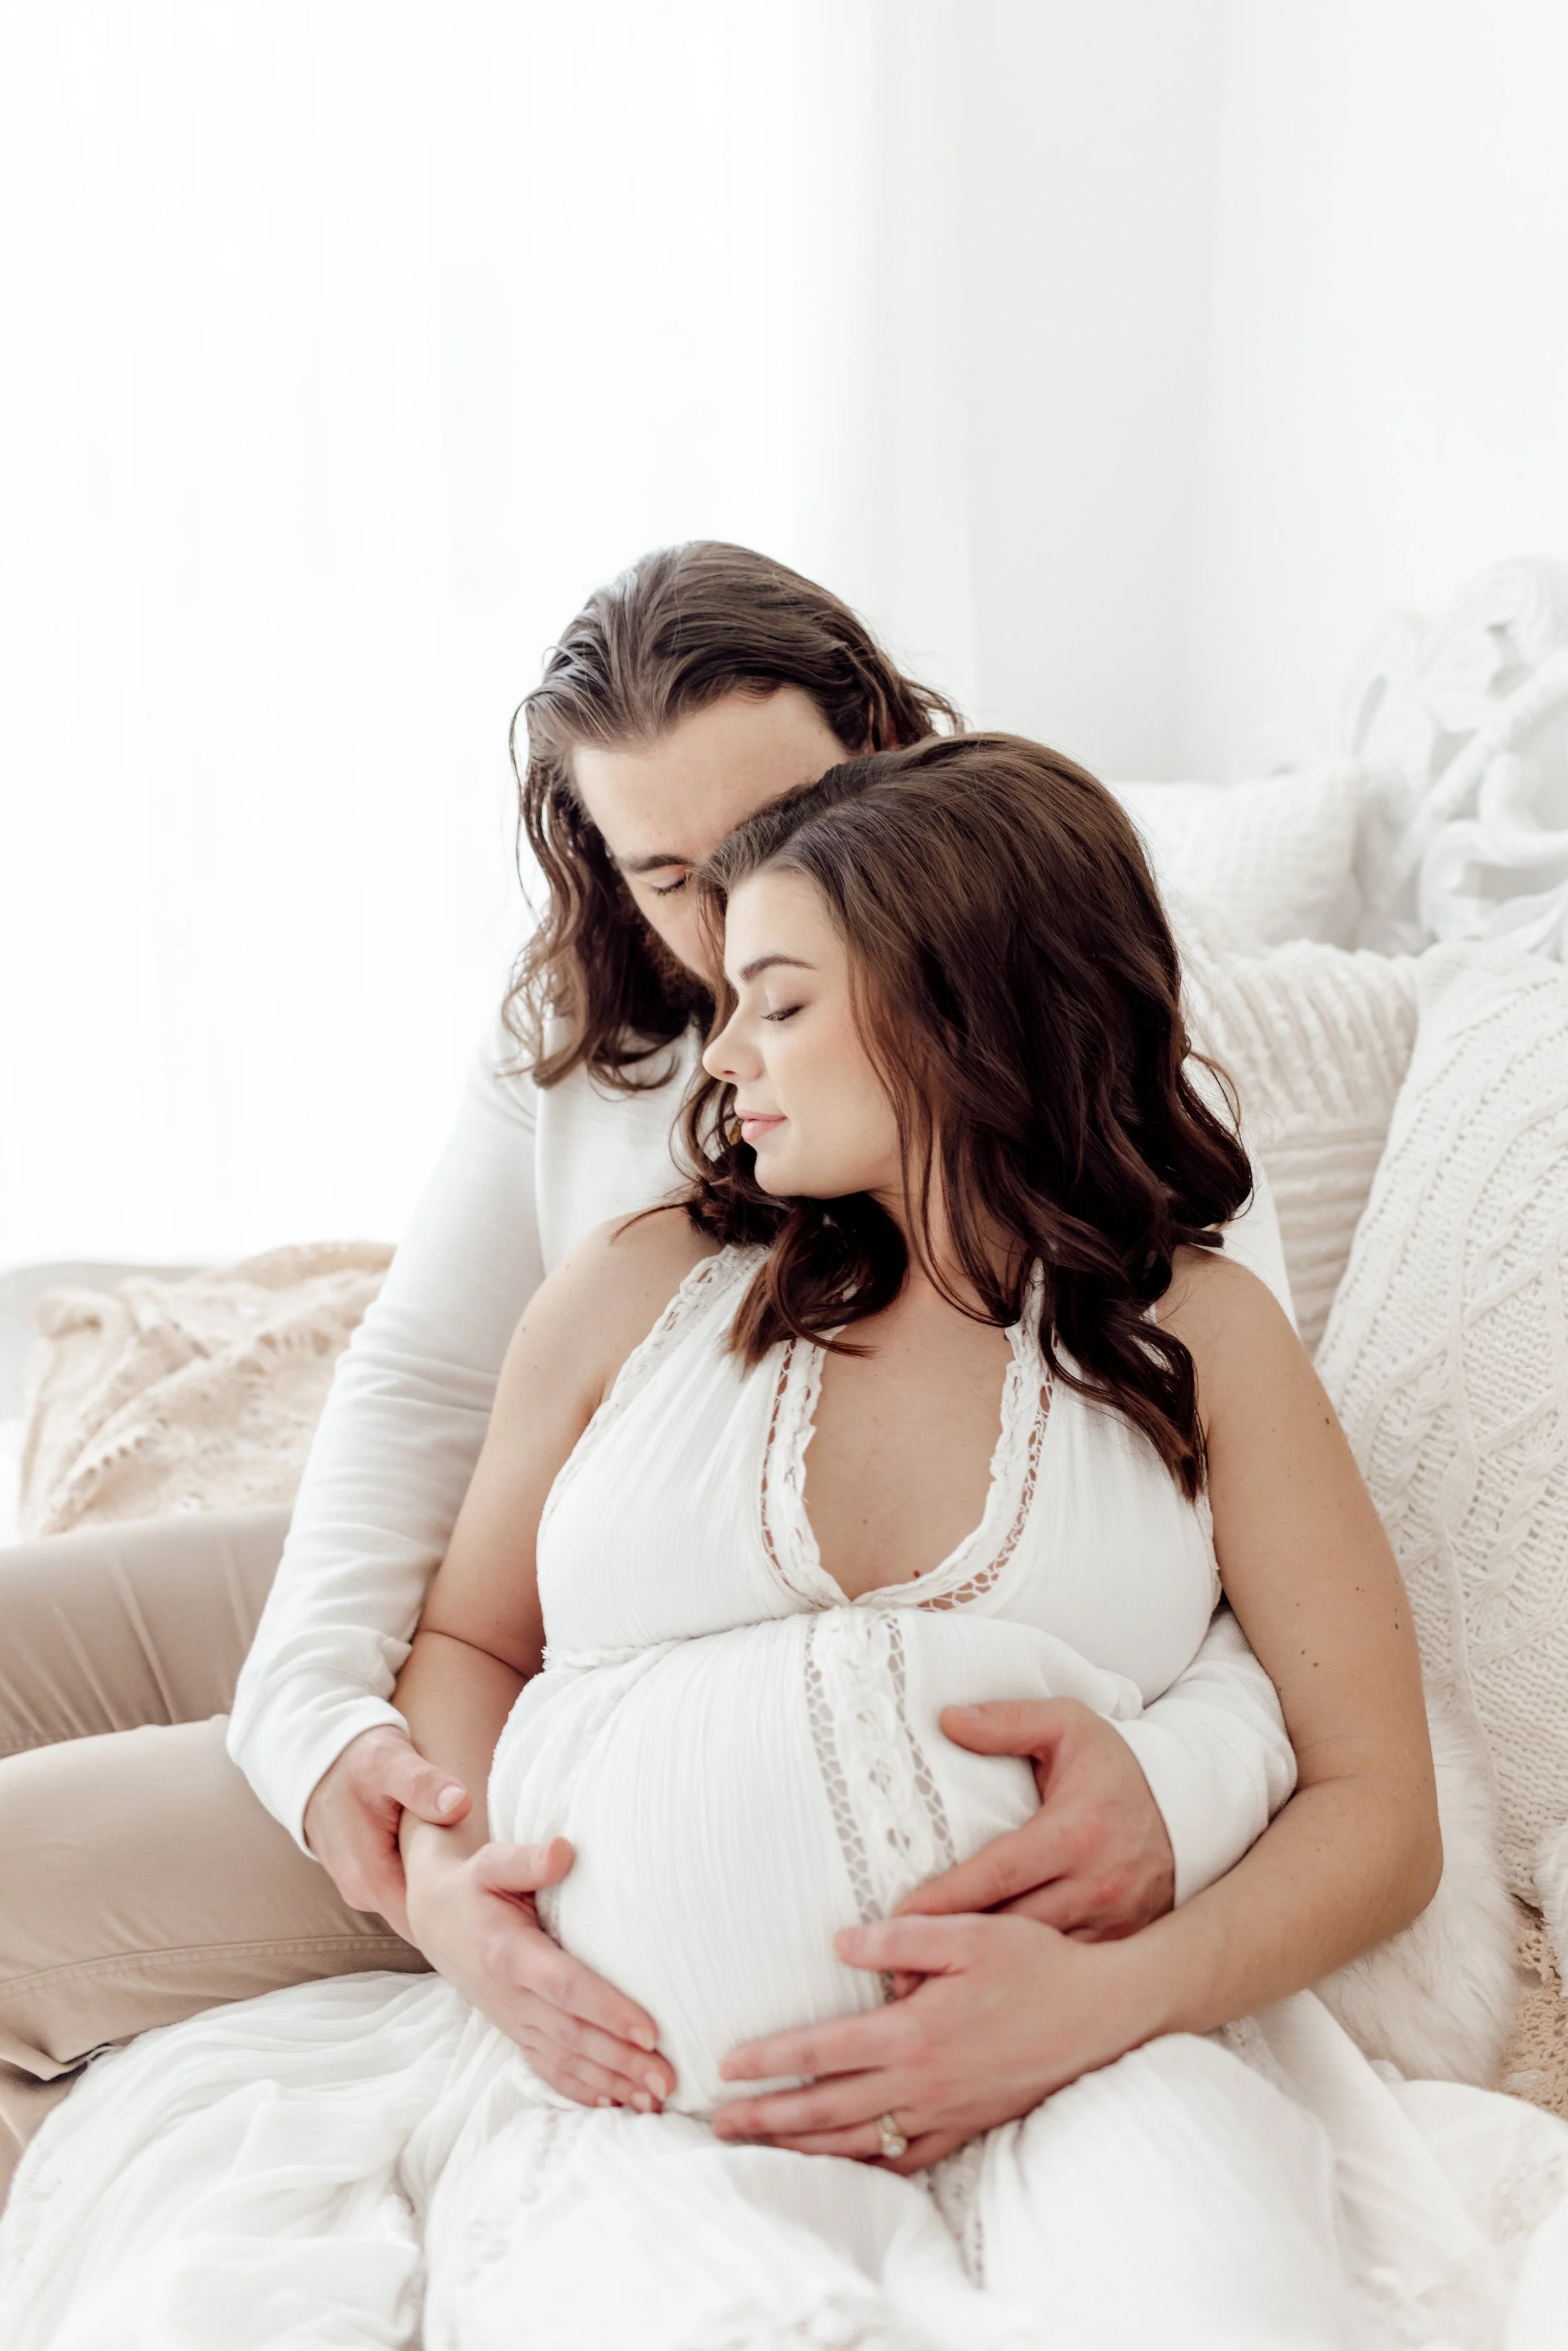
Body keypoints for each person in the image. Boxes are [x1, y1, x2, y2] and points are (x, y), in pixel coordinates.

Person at [4, 734, 1564, 2351]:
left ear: (956, 1006)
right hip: (644, 2107)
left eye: (779, 998)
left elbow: (1380, 1807)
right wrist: (464, 1900)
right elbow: (470, 1642)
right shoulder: (630, 1291)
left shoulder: (1199, 1335)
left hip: (1095, 2069)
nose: (724, 1050)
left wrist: (1107, 2003)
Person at [0, 544, 1296, 2185]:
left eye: (782, 826)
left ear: (895, 748)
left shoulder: (1095, 1088)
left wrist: (1174, 1795)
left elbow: (1245, 1548)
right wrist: (320, 1725)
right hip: (540, 1565)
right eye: (665, 871)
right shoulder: (597, 1031)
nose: (722, 915)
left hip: (621, 1694)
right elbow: (421, 1379)